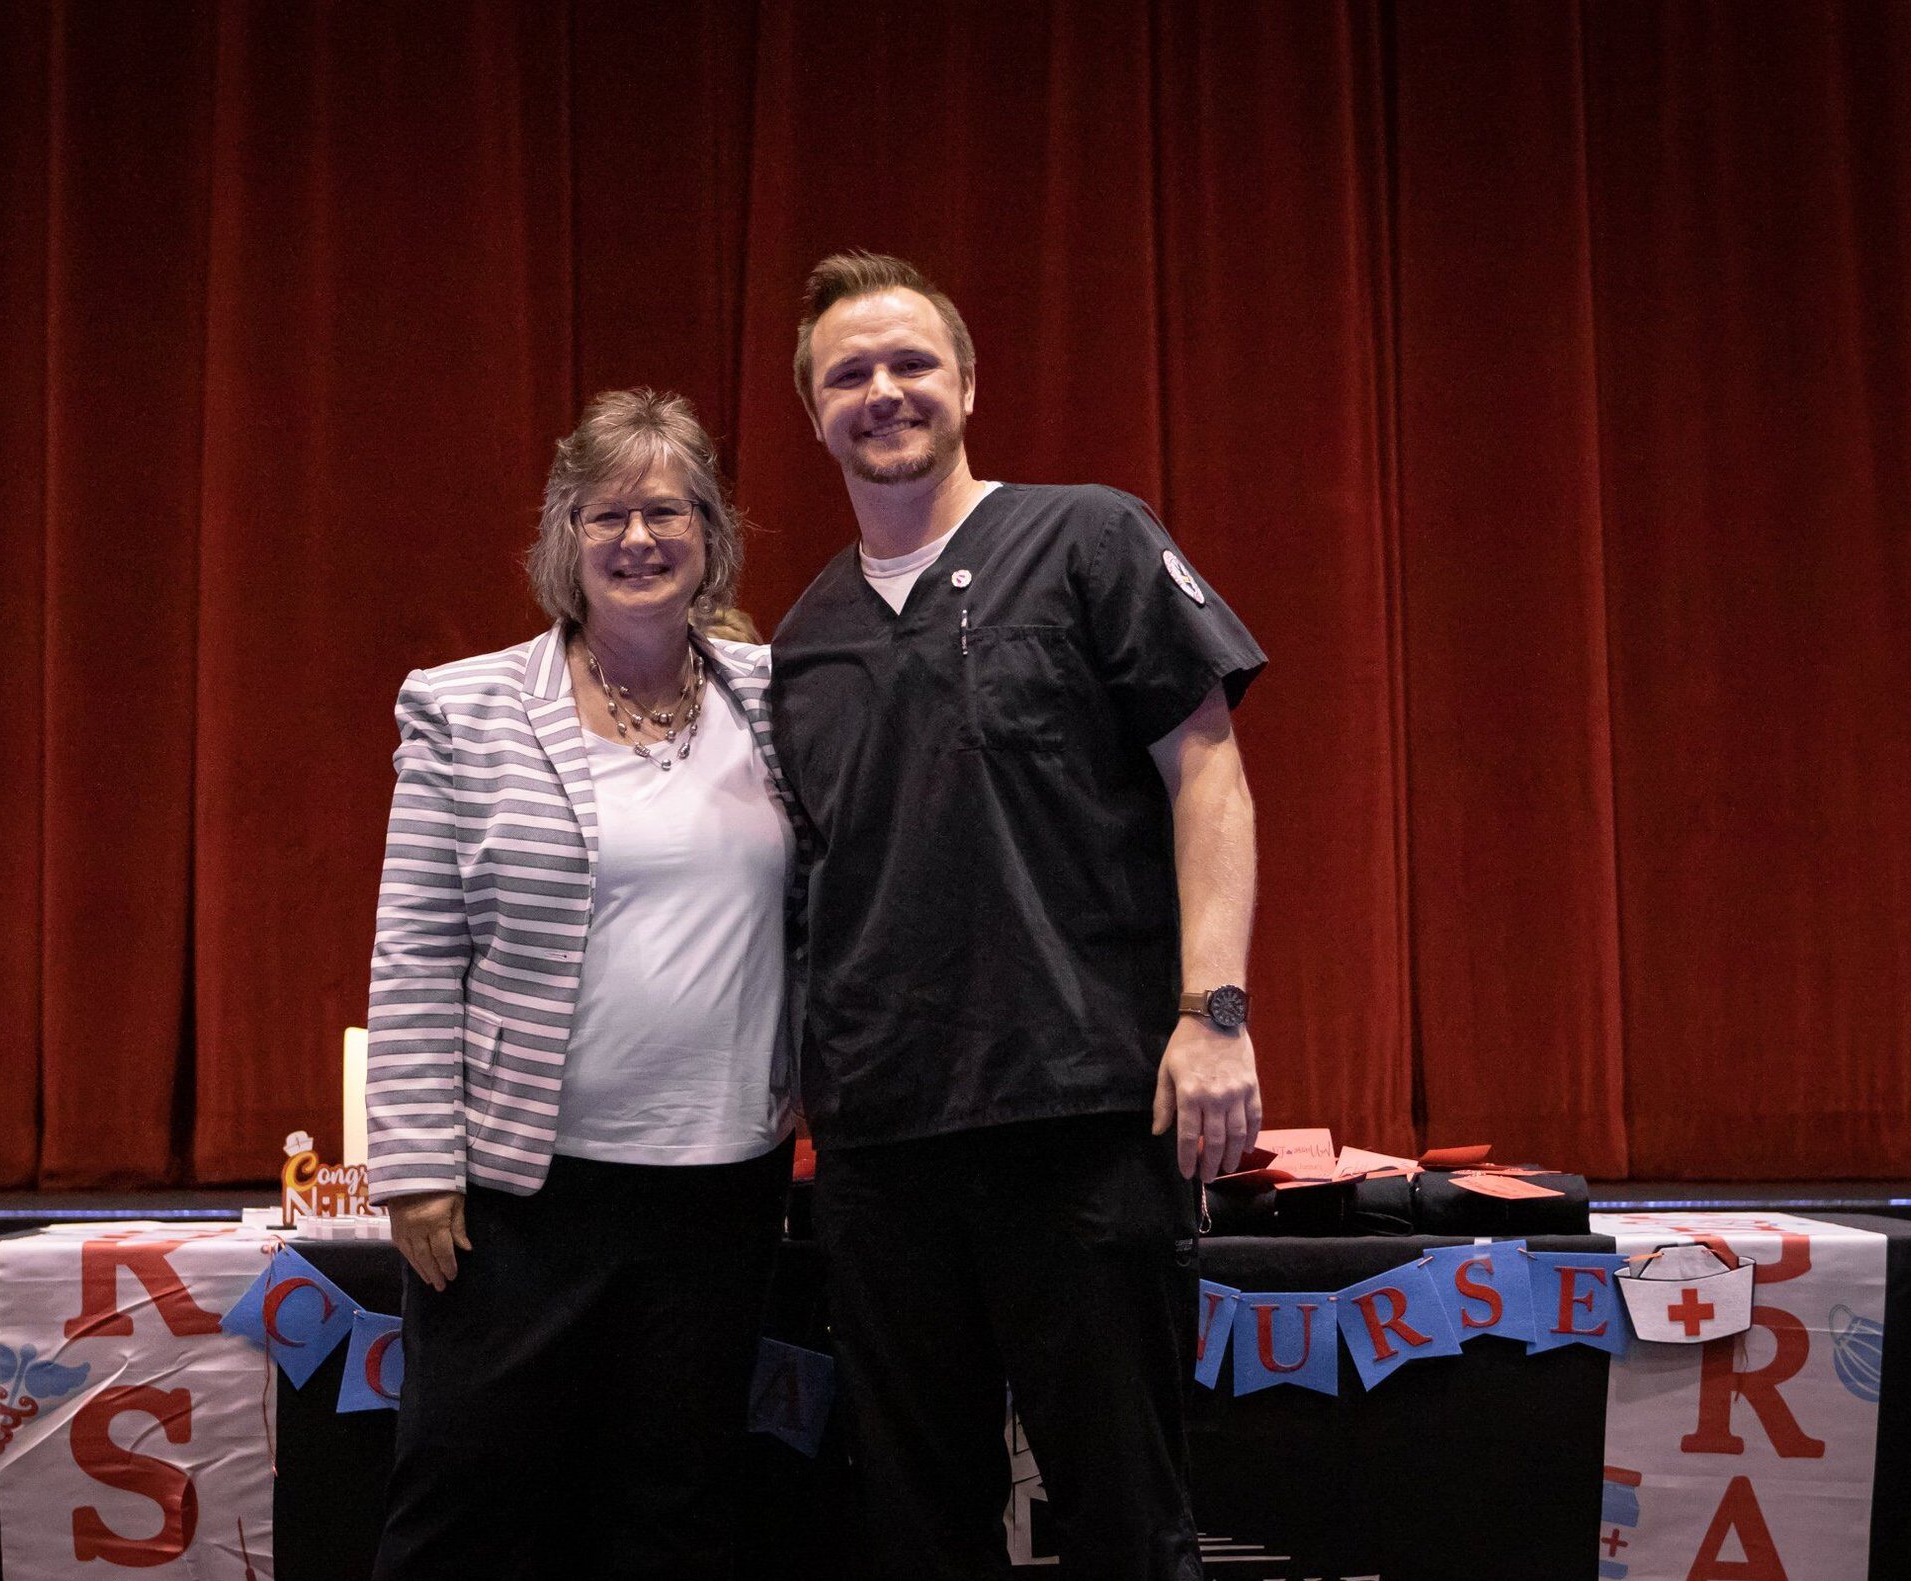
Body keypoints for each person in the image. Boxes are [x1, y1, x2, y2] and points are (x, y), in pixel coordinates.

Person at [767, 251, 1268, 1580]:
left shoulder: (1089, 535)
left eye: (911, 362)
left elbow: (1207, 771)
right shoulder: (801, 638)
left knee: (1122, 1514)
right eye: (849, 374)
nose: (884, 391)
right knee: (916, 1522)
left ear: (970, 383)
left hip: (1082, 1119)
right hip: (879, 1149)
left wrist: (1212, 1014)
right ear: (813, 409)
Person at [365, 389, 798, 1580]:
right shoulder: (465, 705)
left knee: (675, 1504)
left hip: (721, 1187)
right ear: (561, 536)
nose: (636, 538)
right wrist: (413, 1164)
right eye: (603, 513)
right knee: (465, 1502)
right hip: (517, 1192)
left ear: (712, 533)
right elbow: (414, 948)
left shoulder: (780, 698)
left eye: (666, 510)